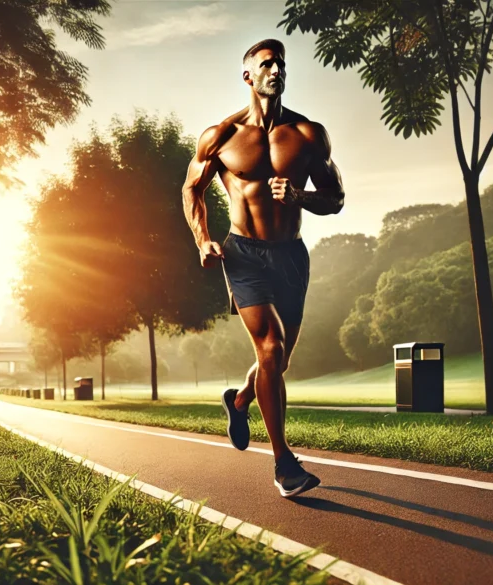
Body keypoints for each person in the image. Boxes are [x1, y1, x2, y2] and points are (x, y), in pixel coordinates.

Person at [181, 39, 345, 498]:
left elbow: (335, 200)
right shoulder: (220, 137)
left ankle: (239, 401)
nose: (276, 69)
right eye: (266, 63)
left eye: (282, 64)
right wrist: (203, 240)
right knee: (270, 348)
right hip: (244, 254)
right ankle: (285, 465)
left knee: (279, 360)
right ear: (248, 76)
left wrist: (301, 198)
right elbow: (191, 190)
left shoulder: (309, 135)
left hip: (291, 255)